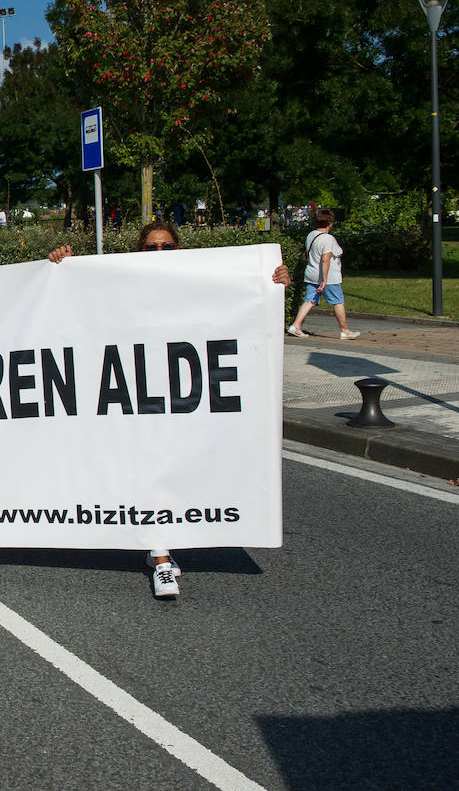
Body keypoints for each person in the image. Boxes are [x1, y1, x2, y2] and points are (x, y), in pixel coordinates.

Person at [49, 220, 289, 598]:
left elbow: (239, 307)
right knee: (146, 465)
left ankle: (166, 541)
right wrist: (62, 267)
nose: (159, 253)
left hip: (184, 395)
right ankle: (161, 557)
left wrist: (269, 283)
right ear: (139, 253)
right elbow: (79, 302)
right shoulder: (121, 282)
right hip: (136, 395)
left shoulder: (200, 282)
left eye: (166, 247)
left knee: (178, 466)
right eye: (150, 248)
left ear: (179, 249)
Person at [287, 208, 360, 340]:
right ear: (330, 223)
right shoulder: (328, 239)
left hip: (311, 273)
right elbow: (325, 259)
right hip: (328, 277)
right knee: (338, 302)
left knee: (310, 300)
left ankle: (295, 326)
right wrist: (324, 280)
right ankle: (345, 330)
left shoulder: (311, 235)